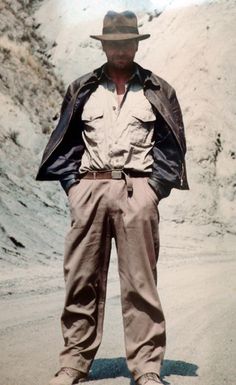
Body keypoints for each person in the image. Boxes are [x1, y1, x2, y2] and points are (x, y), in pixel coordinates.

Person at [36, 10, 188, 385]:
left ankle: (147, 367)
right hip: (90, 188)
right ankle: (74, 362)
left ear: (136, 44)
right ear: (105, 46)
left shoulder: (158, 89)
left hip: (138, 190)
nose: (121, 50)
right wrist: (75, 187)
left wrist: (154, 190)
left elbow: (172, 147)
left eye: (127, 42)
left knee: (140, 282)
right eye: (114, 44)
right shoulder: (82, 88)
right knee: (81, 278)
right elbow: (67, 141)